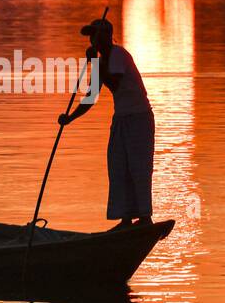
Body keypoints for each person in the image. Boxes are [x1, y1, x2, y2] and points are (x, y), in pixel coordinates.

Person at [58, 17, 155, 228]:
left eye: (94, 35)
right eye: (90, 36)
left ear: (105, 37)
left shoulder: (119, 55)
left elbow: (116, 83)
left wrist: (93, 63)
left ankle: (145, 217)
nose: (91, 40)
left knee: (138, 167)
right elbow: (91, 97)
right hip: (121, 118)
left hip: (139, 118)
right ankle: (126, 218)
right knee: (118, 166)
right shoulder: (101, 63)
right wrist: (70, 118)